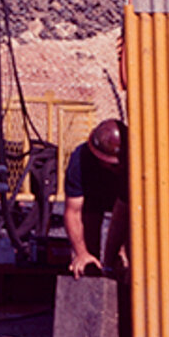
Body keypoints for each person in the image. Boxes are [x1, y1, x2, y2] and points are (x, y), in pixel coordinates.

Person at [64, 118, 129, 279]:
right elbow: (73, 212)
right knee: (88, 259)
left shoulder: (132, 163)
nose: (118, 167)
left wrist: (112, 259)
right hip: (94, 199)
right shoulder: (80, 161)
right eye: (113, 165)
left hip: (126, 203)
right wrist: (81, 253)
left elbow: (121, 217)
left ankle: (113, 266)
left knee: (123, 260)